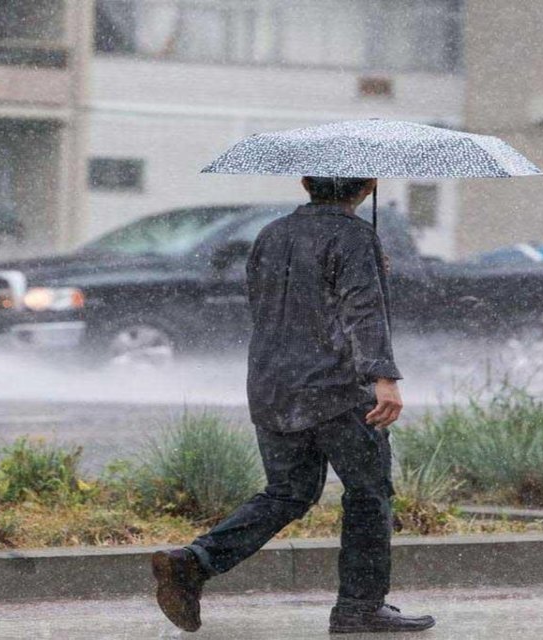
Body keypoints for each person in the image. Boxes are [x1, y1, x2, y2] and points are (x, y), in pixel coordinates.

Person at [151, 176, 436, 634]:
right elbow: (362, 309)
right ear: (369, 186)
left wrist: (365, 266)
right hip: (337, 389)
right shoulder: (355, 235)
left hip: (272, 384)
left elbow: (271, 302)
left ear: (306, 183)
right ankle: (359, 607)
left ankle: (195, 562)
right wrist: (383, 376)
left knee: (288, 492)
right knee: (368, 494)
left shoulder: (271, 233)